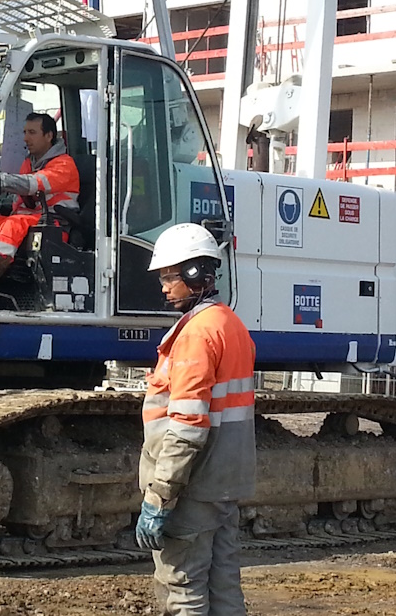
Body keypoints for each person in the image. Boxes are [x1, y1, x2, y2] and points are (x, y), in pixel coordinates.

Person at [136, 222, 256, 616]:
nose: (164, 287)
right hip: (224, 482)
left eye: (170, 277)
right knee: (223, 586)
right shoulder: (230, 325)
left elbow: (187, 426)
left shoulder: (196, 335)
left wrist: (159, 496)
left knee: (182, 589)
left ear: (194, 274)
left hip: (194, 486)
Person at [0, 112, 80, 302]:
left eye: (32, 132)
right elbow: (21, 198)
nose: (26, 138)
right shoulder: (28, 162)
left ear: (49, 136)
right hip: (26, 219)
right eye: (25, 132)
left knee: (12, 225)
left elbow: (33, 184)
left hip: (53, 223)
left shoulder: (64, 165)